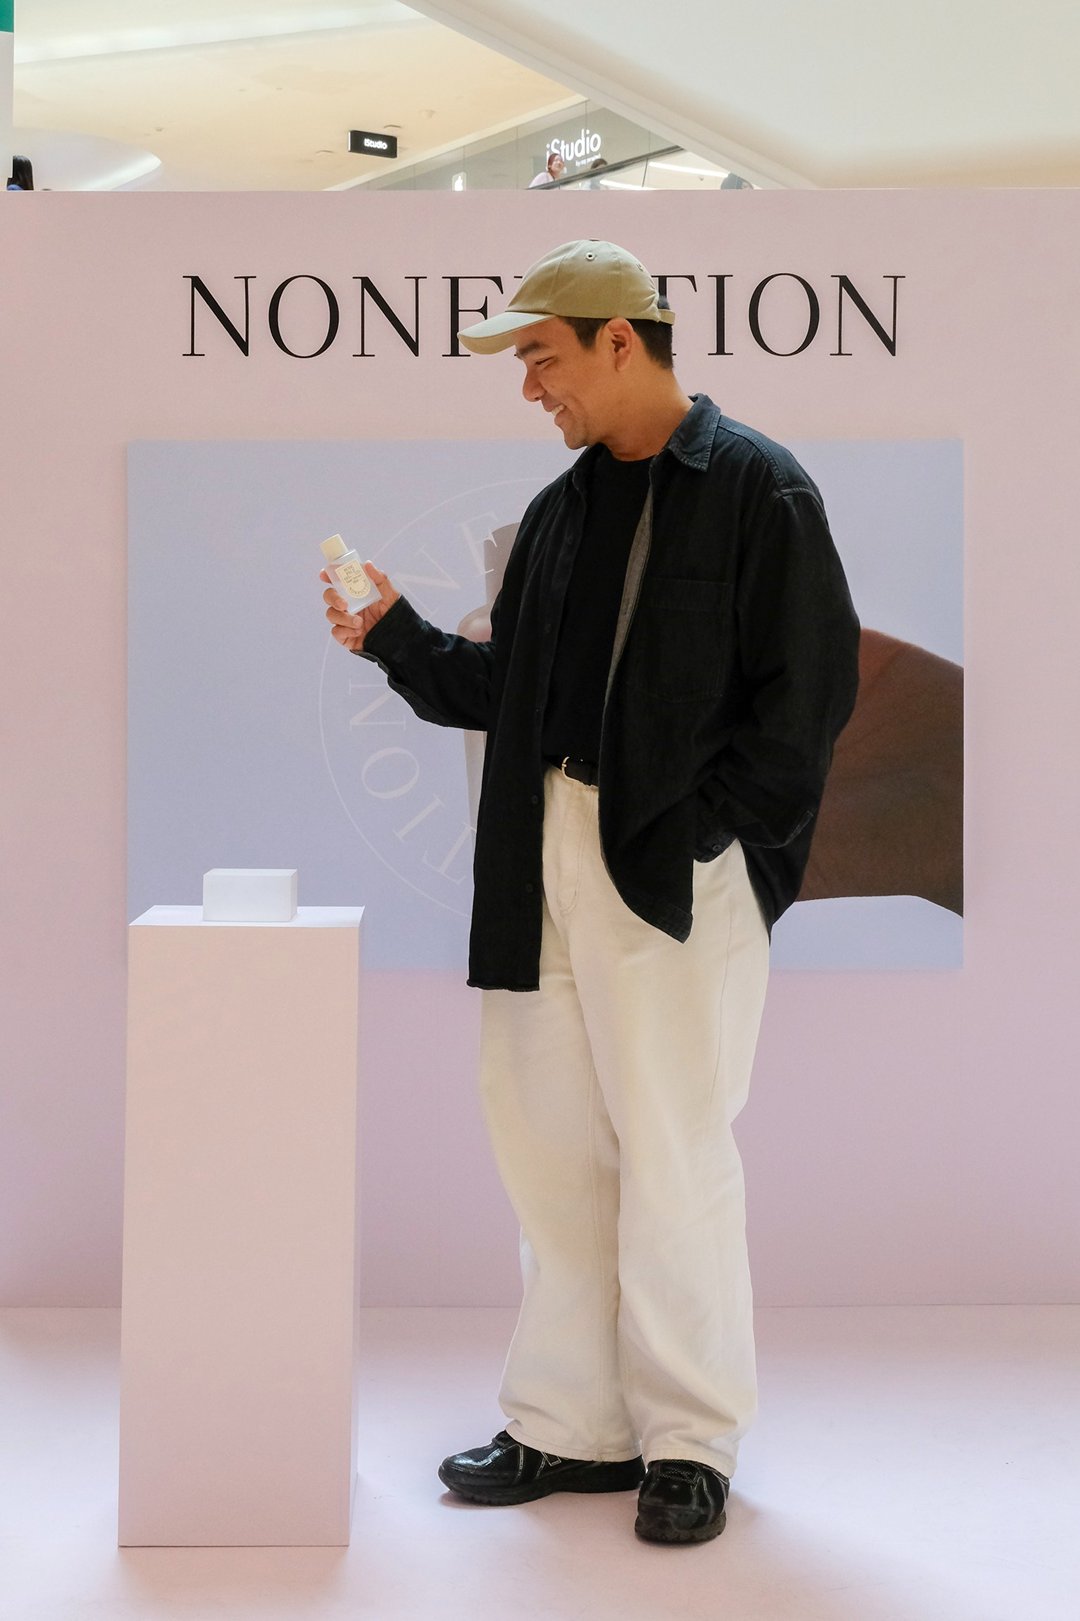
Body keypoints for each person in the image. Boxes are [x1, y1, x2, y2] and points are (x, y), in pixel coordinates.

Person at [322, 238, 860, 1544]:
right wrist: (393, 635)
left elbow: (810, 695)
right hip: (544, 852)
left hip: (672, 866)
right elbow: (510, 692)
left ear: (621, 340)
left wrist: (713, 835)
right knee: (548, 1146)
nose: (530, 388)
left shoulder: (762, 489)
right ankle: (570, 1424)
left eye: (541, 358)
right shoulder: (562, 511)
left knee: (674, 1153)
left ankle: (689, 1442)